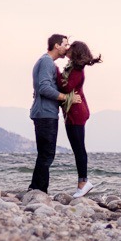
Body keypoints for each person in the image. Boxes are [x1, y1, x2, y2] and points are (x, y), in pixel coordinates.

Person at [28, 33, 75, 193]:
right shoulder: (47, 62)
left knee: (44, 154)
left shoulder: (44, 61)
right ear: (57, 45)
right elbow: (44, 87)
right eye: (65, 44)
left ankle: (38, 189)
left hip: (44, 112)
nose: (67, 48)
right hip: (45, 114)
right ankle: (37, 190)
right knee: (47, 154)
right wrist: (67, 98)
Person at [59, 40, 102, 198]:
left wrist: (54, 74)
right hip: (73, 111)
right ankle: (82, 183)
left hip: (77, 112)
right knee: (77, 148)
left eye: (70, 47)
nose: (67, 49)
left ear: (75, 51)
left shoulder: (77, 70)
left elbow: (66, 88)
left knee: (79, 148)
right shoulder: (72, 67)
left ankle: (83, 183)